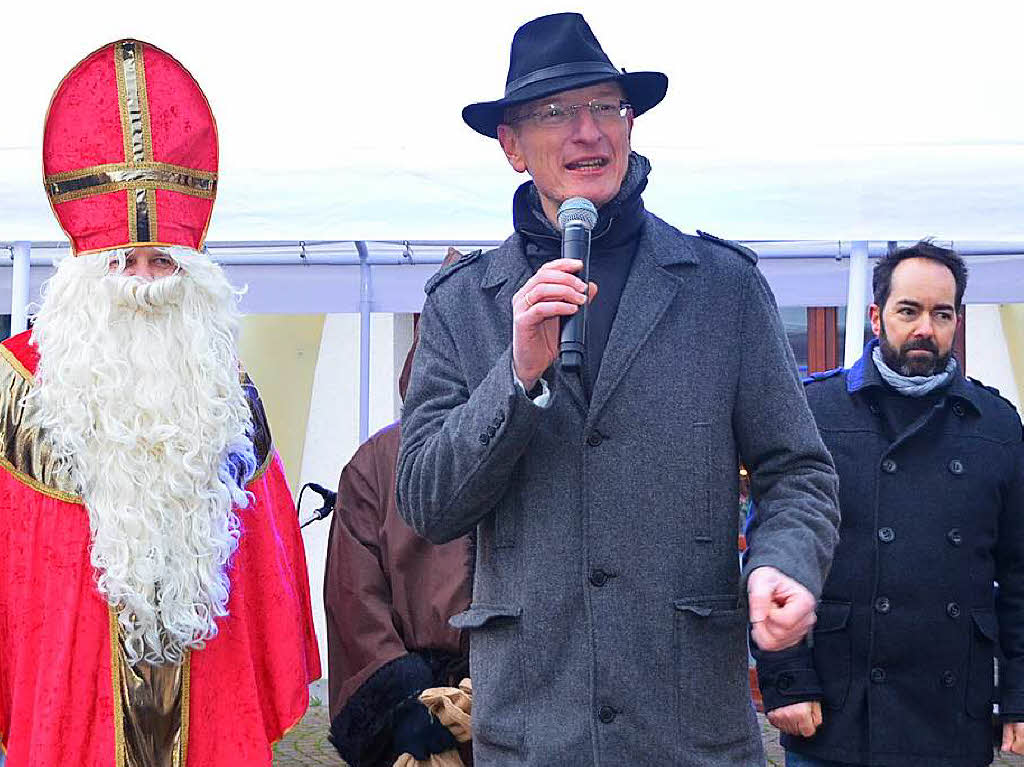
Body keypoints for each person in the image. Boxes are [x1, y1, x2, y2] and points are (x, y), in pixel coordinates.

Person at [396, 13, 840, 766]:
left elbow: (798, 470)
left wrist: (783, 559)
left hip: (687, 725)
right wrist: (515, 377)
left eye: (607, 107)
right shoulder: (463, 303)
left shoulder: (722, 288)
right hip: (533, 727)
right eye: (556, 113)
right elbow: (428, 503)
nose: (588, 133)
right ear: (511, 146)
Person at [0, 39, 320, 766]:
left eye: (163, 261)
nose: (146, 283)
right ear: (83, 271)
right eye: (123, 262)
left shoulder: (222, 390)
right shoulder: (15, 392)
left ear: (194, 270)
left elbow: (270, 583)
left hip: (211, 719)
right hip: (67, 724)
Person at [755, 241, 1024, 766]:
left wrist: (1019, 695)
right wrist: (786, 681)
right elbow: (774, 554)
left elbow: (1020, 575)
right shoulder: (815, 409)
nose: (925, 327)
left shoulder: (997, 424)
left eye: (941, 313)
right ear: (877, 318)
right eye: (909, 310)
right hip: (836, 708)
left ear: (956, 320)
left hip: (951, 712)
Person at [326, 252, 474, 767]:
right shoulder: (375, 464)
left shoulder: (529, 442)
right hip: (410, 707)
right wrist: (405, 703)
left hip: (509, 703)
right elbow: (356, 599)